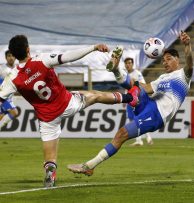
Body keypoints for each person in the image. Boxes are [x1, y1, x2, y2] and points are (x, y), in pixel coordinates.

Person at [0, 35, 138, 187]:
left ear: (13, 54)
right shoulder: (41, 60)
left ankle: (50, 173)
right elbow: (69, 57)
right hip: (68, 104)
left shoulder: (12, 78)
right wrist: (93, 47)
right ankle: (130, 98)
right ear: (28, 49)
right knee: (95, 95)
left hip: (47, 119)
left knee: (50, 158)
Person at [67, 31, 193, 176]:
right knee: (136, 87)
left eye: (169, 59)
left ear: (178, 59)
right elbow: (145, 88)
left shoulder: (184, 75)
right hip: (150, 104)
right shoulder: (163, 77)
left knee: (122, 133)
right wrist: (135, 87)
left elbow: (189, 64)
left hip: (157, 115)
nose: (165, 62)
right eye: (163, 60)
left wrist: (187, 45)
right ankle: (116, 70)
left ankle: (89, 165)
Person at [123, 57, 153, 146]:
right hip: (129, 99)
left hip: (137, 99)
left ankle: (141, 139)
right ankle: (145, 138)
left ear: (132, 64)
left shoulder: (137, 73)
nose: (128, 65)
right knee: (135, 119)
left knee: (135, 119)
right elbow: (126, 88)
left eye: (129, 63)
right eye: (126, 63)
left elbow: (143, 85)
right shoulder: (125, 75)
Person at [0, 50, 19, 129]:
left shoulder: (18, 68)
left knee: (1, 116)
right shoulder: (1, 68)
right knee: (14, 112)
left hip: (10, 96)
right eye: (9, 56)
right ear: (6, 57)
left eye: (13, 56)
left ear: (15, 57)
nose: (11, 58)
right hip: (3, 96)